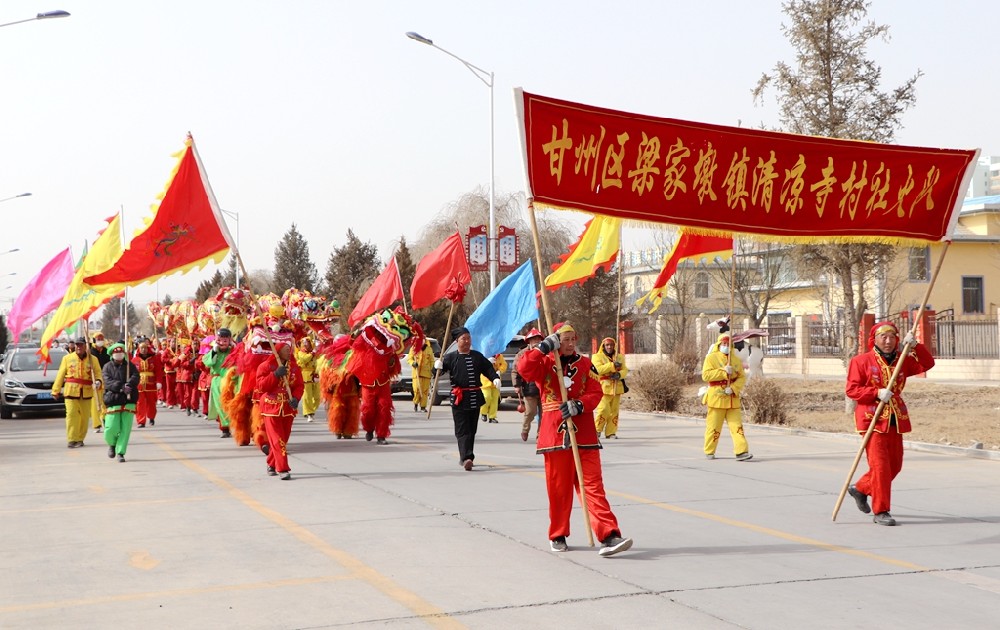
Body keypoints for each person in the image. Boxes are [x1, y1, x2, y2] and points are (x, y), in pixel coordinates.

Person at [517, 322, 634, 557]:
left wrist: (580, 404)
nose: (570, 343)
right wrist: (542, 348)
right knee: (558, 489)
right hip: (555, 434)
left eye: (573, 339)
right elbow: (523, 369)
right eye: (565, 339)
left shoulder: (585, 363)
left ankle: (609, 534)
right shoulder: (546, 362)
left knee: (593, 486)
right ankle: (557, 534)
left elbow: (595, 391)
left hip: (584, 433)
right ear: (557, 340)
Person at [846, 321, 935, 526]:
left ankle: (860, 488)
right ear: (874, 340)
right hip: (872, 419)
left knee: (895, 465)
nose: (888, 341)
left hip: (895, 418)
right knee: (881, 468)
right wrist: (875, 393)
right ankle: (881, 511)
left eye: (892, 337)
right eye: (883, 337)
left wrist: (915, 346)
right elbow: (852, 390)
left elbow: (927, 364)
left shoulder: (902, 360)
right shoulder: (861, 361)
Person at [435, 326, 500, 471]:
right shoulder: (451, 358)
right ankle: (467, 457)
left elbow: (488, 368)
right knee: (462, 430)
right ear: (457, 341)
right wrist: (437, 367)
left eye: (468, 338)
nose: (467, 341)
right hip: (459, 397)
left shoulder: (477, 356)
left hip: (475, 397)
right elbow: (438, 372)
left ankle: (466, 455)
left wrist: (495, 378)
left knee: (472, 429)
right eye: (463, 338)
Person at [256, 341, 304, 480]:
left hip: (288, 408)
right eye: (286, 349)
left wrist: (295, 398)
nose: (289, 352)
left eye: (290, 349)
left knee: (283, 439)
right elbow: (261, 386)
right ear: (277, 351)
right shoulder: (265, 366)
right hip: (271, 407)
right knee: (277, 440)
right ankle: (283, 468)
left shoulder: (294, 367)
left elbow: (299, 385)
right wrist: (275, 375)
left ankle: (271, 463)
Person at [701, 333, 753, 461]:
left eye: (728, 344)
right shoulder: (711, 358)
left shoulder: (735, 360)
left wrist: (734, 388)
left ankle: (741, 451)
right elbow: (706, 376)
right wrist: (723, 371)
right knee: (713, 427)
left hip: (732, 399)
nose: (725, 346)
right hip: (716, 398)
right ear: (719, 345)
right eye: (723, 344)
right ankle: (709, 450)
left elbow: (741, 377)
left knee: (737, 427)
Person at [51, 337, 103, 448]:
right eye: (77, 345)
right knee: (71, 415)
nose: (79, 347)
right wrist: (56, 390)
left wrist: (98, 382)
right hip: (71, 391)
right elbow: (60, 375)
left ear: (86, 346)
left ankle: (80, 438)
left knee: (84, 417)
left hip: (86, 392)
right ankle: (71, 439)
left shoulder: (93, 359)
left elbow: (98, 374)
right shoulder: (67, 358)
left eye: (81, 345)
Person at [102, 342, 140, 463]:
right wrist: (121, 386)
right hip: (113, 399)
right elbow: (108, 381)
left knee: (125, 428)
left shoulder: (130, 365)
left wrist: (130, 384)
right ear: (112, 354)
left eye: (121, 352)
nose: (119, 354)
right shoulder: (107, 366)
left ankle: (120, 452)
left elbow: (136, 376)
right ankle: (112, 444)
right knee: (111, 427)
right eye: (116, 352)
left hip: (129, 400)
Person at [592, 336, 628, 439]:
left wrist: (619, 375)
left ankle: (611, 432)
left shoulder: (619, 357)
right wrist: (612, 366)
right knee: (604, 409)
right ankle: (597, 430)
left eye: (611, 345)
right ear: (603, 346)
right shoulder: (597, 357)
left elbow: (625, 370)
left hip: (617, 387)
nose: (609, 347)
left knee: (614, 412)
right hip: (603, 388)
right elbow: (598, 369)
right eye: (607, 345)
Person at [512, 328, 544, 442]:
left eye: (538, 339)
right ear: (529, 341)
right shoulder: (522, 354)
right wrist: (516, 385)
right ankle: (525, 429)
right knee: (531, 412)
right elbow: (516, 371)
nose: (536, 341)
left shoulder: (545, 353)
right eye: (534, 339)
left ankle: (540, 434)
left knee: (544, 414)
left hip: (544, 388)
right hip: (528, 388)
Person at [202, 328, 235, 438]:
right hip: (217, 381)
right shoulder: (213, 351)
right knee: (220, 404)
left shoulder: (233, 351)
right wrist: (214, 351)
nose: (222, 343)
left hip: (232, 380)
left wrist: (235, 347)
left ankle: (236, 425)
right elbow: (208, 362)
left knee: (233, 403)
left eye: (225, 340)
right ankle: (225, 429)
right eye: (220, 340)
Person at [132, 336, 164, 428]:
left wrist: (159, 382)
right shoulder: (135, 360)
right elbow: (132, 373)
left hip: (151, 384)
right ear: (139, 349)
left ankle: (151, 417)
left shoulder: (154, 359)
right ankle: (141, 421)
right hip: (139, 385)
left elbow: (158, 371)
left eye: (145, 348)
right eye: (141, 348)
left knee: (151, 402)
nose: (143, 350)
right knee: (139, 403)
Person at [88, 332, 110, 434]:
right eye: (98, 338)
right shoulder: (90, 352)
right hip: (94, 379)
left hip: (105, 379)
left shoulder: (107, 351)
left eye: (102, 338)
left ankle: (105, 420)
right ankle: (96, 424)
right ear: (94, 340)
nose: (100, 340)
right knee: (95, 403)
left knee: (105, 403)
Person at [406, 337, 435, 412]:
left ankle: (423, 407)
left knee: (425, 391)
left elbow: (432, 361)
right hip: (416, 374)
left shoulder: (429, 349)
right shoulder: (414, 348)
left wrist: (433, 369)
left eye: (423, 340)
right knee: (416, 390)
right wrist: (413, 363)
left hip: (426, 373)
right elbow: (409, 359)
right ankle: (415, 403)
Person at [295, 337, 320, 422]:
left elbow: (319, 361)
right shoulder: (300, 353)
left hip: (315, 374)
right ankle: (309, 413)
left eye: (308, 343)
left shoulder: (314, 352)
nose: (306, 345)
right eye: (304, 343)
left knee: (317, 396)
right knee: (307, 396)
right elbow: (304, 359)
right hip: (305, 375)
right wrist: (312, 353)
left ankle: (311, 410)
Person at [479, 353, 507, 423]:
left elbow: (504, 365)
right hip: (485, 381)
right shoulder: (484, 355)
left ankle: (492, 416)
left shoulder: (500, 356)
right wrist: (486, 361)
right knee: (486, 397)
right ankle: (483, 412)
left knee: (494, 400)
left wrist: (499, 371)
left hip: (496, 382)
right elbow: (478, 366)